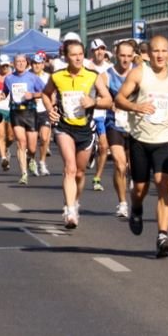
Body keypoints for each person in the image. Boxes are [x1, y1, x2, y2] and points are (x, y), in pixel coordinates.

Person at [115, 35, 168, 258]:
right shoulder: (139, 73)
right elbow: (119, 99)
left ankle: (162, 235)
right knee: (140, 189)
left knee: (163, 185)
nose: (160, 55)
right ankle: (137, 208)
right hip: (140, 139)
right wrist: (135, 106)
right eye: (155, 51)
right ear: (148, 54)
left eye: (164, 51)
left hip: (164, 138)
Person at [42, 39, 112, 229]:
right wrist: (50, 109)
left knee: (80, 173)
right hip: (64, 127)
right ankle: (70, 210)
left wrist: (94, 102)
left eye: (81, 54)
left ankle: (74, 201)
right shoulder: (57, 76)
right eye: (73, 55)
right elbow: (46, 94)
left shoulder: (92, 75)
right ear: (66, 57)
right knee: (70, 169)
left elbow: (108, 100)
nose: (78, 58)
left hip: (85, 128)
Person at [3, 54, 45, 184]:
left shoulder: (33, 77)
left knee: (32, 148)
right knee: (21, 142)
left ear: (26, 63)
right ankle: (24, 173)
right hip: (16, 112)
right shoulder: (9, 78)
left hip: (30, 112)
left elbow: (45, 92)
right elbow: (5, 93)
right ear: (13, 63)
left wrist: (32, 94)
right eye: (17, 61)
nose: (20, 63)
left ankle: (31, 158)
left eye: (22, 61)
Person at [105, 40, 135, 217]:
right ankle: (122, 203)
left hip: (134, 124)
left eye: (129, 56)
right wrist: (109, 104)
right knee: (119, 163)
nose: (125, 59)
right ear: (116, 55)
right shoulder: (107, 76)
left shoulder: (138, 74)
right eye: (122, 55)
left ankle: (129, 180)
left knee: (132, 167)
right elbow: (98, 97)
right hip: (114, 123)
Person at [85, 39, 113, 191]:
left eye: (102, 49)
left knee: (104, 146)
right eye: (96, 50)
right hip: (86, 114)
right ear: (92, 52)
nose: (99, 52)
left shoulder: (110, 68)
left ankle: (97, 178)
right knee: (85, 148)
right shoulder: (85, 67)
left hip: (102, 113)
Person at [30, 52, 52, 176]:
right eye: (34, 63)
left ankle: (42, 163)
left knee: (44, 138)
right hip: (30, 112)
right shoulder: (27, 77)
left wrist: (52, 106)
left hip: (44, 110)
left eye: (38, 63)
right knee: (32, 144)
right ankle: (32, 160)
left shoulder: (48, 77)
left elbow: (51, 93)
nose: (36, 66)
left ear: (43, 65)